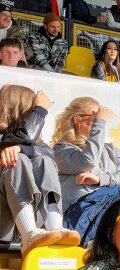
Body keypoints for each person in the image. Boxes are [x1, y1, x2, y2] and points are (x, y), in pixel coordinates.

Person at [0, 85, 80, 257]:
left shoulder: (32, 142)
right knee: (17, 160)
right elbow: (25, 137)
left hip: (33, 227)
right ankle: (29, 234)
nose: (33, 116)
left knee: (43, 160)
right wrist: (41, 111)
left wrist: (22, 149)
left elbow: (48, 154)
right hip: (3, 222)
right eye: (32, 111)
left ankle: (55, 226)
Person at [52, 97, 120, 213]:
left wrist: (100, 179)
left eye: (99, 118)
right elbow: (88, 161)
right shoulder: (62, 149)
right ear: (77, 119)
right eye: (95, 118)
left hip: (111, 207)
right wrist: (99, 124)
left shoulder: (110, 148)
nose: (98, 121)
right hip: (80, 213)